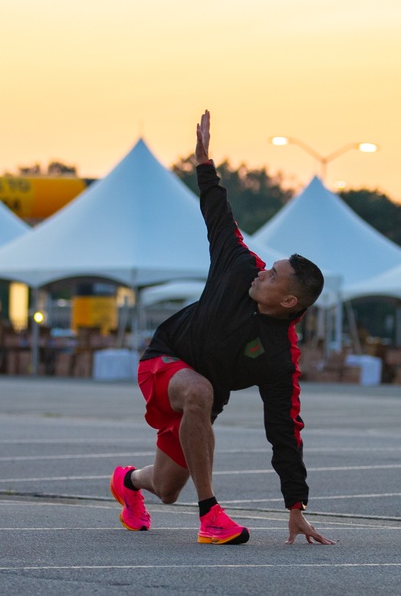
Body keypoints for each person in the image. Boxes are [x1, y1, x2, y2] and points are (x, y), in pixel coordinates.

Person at [111, 111, 334, 546]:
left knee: (167, 487)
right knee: (200, 391)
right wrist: (204, 164)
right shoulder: (238, 265)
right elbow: (218, 214)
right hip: (164, 360)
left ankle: (128, 483)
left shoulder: (279, 356)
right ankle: (211, 516)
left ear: (289, 301)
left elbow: (284, 428)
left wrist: (295, 506)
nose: (262, 272)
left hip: (200, 397)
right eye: (268, 267)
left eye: (273, 275)